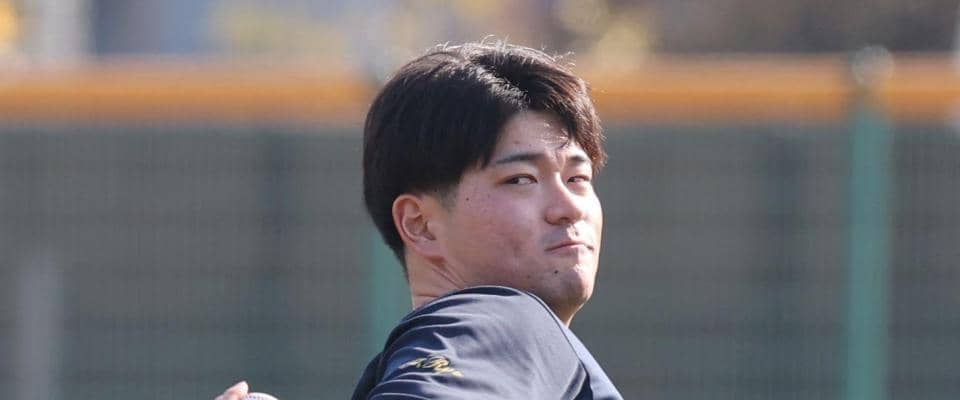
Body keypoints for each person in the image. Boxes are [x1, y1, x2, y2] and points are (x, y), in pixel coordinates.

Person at [217, 41, 622, 400]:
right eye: (520, 179)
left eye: (578, 178)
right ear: (420, 224)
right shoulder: (500, 319)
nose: (569, 207)